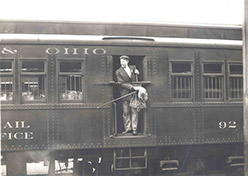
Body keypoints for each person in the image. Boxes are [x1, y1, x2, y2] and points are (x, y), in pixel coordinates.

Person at [115, 55, 140, 135]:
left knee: (134, 111)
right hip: (124, 94)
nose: (121, 63)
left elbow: (136, 77)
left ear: (127, 61)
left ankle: (134, 129)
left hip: (134, 94)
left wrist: (137, 73)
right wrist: (132, 87)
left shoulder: (133, 68)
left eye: (123, 61)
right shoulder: (118, 71)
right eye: (120, 61)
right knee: (126, 112)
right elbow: (121, 83)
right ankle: (127, 128)